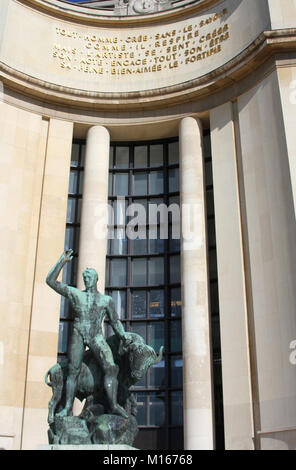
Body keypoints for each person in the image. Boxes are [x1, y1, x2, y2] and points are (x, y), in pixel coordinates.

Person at [46, 249, 130, 419]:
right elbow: (50, 281)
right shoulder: (76, 294)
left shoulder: (106, 300)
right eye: (84, 278)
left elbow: (115, 322)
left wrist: (123, 336)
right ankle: (68, 407)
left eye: (89, 277)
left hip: (96, 336)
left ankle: (113, 405)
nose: (86, 280)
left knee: (111, 368)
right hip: (78, 333)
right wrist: (62, 261)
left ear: (96, 279)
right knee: (73, 371)